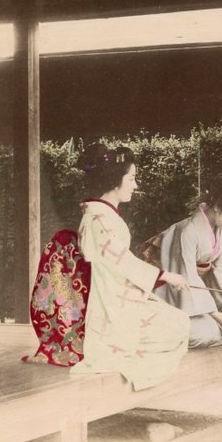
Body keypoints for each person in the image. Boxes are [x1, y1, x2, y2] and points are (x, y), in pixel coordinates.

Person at [69, 143, 192, 390]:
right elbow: (119, 262)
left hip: (115, 293)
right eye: (132, 179)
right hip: (107, 301)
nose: (136, 186)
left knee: (178, 322)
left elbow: (119, 262)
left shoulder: (101, 215)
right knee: (176, 326)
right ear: (115, 181)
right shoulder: (98, 217)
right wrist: (165, 275)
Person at [157, 173, 222, 348]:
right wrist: (218, 316)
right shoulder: (188, 230)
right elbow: (186, 277)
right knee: (205, 332)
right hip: (171, 295)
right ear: (217, 206)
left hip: (200, 300)